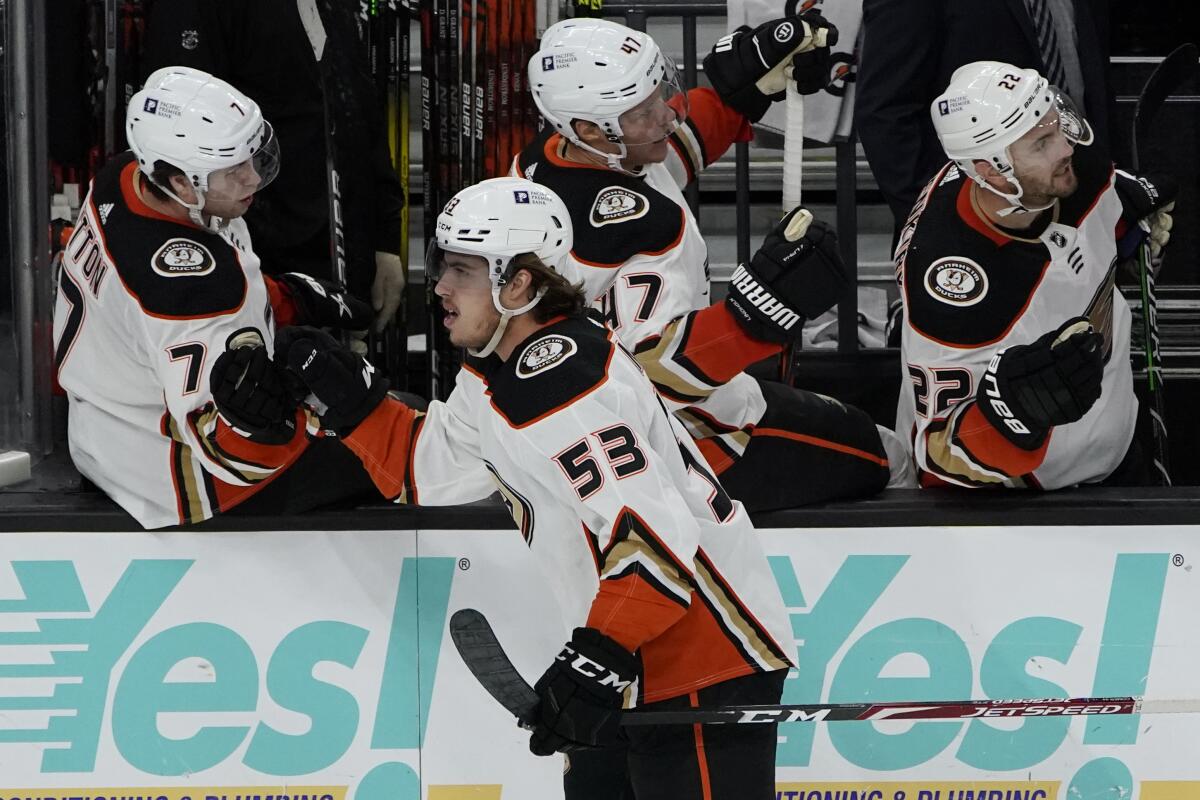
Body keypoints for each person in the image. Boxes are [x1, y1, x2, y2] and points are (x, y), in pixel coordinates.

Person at [229, 177, 792, 799]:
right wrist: (356, 407)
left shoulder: (562, 384)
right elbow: (434, 470)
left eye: (463, 271)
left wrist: (595, 659)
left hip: (703, 657)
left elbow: (656, 543)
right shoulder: (500, 368)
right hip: (634, 659)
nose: (440, 287)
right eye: (443, 265)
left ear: (518, 283)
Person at [515, 17, 913, 512]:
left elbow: (667, 156)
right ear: (590, 127)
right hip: (681, 451)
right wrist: (753, 315)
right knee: (888, 455)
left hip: (575, 437)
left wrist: (740, 94)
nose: (668, 116)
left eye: (660, 94)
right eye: (644, 110)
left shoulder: (544, 160)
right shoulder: (645, 227)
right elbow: (651, 374)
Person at [52, 66, 377, 528]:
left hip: (103, 431)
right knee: (398, 436)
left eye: (252, 157)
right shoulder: (196, 287)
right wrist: (283, 422)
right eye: (232, 170)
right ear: (182, 183)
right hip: (171, 474)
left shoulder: (123, 174)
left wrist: (283, 298)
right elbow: (227, 453)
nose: (252, 179)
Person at [895, 61, 1176, 488]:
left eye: (1056, 126)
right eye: (1041, 142)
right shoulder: (952, 282)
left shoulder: (1068, 167)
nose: (1065, 148)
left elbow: (1096, 204)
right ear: (990, 170)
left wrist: (1124, 218)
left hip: (1116, 452)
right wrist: (1014, 415)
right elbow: (942, 459)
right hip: (1026, 503)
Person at [141, 0, 407, 333]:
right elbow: (180, 150)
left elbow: (357, 102)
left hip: (347, 258)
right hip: (266, 275)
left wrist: (384, 237)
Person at [855, 0, 1113, 241]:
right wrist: (939, 222)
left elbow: (1094, 80)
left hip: (1085, 206)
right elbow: (885, 112)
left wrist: (1114, 188)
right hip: (981, 225)